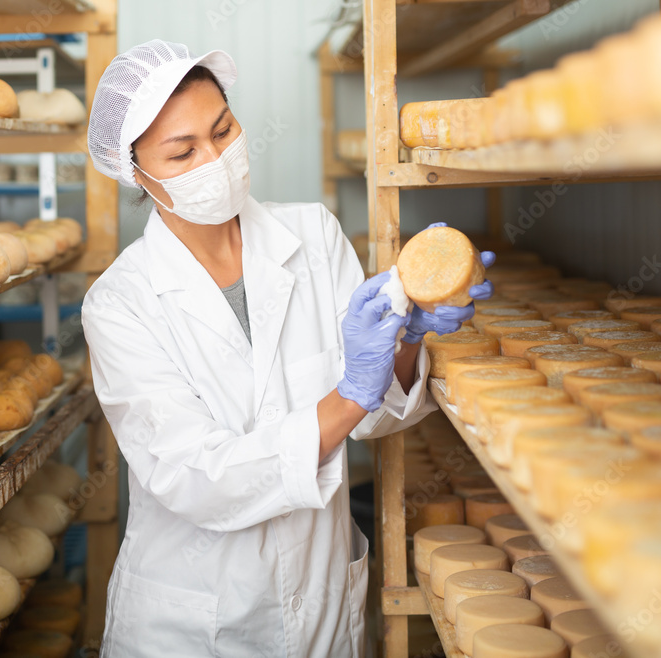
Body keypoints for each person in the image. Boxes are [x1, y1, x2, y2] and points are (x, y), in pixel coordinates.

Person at [81, 40, 495, 657]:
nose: (215, 158)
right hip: (195, 623)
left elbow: (375, 415)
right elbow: (199, 478)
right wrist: (352, 392)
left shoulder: (312, 234)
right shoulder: (120, 303)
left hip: (319, 596)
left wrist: (407, 342)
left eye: (222, 130)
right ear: (132, 169)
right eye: (183, 151)